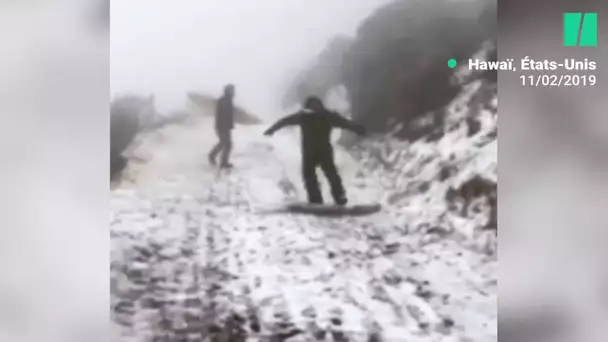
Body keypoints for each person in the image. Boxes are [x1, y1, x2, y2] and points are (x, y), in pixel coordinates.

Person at [264, 96, 366, 205]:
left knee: (310, 176)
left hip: (310, 152)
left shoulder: (304, 116)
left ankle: (316, 199)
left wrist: (272, 130)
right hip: (323, 151)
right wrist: (359, 129)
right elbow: (346, 123)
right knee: (331, 174)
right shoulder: (327, 116)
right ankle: (339, 197)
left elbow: (285, 121)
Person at [209, 84, 235, 168]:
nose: (233, 92)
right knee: (226, 144)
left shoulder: (228, 101)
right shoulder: (223, 101)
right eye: (231, 90)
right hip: (222, 127)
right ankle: (221, 161)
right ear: (227, 91)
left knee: (224, 144)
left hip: (226, 127)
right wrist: (219, 127)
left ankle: (213, 156)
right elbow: (221, 115)